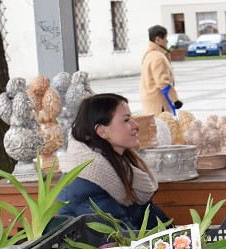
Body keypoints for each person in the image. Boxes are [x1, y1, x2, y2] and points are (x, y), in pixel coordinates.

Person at [57, 93, 169, 229]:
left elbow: (149, 216)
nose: (135, 125)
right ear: (102, 131)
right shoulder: (88, 179)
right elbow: (122, 237)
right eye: (126, 120)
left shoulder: (120, 164)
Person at [140, 25, 182, 115]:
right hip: (159, 103)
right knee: (162, 127)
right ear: (158, 39)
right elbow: (162, 82)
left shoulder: (148, 54)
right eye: (165, 38)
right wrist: (175, 100)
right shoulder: (158, 57)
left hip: (150, 100)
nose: (167, 41)